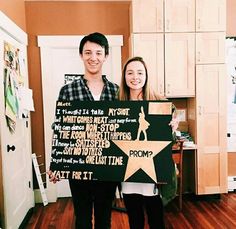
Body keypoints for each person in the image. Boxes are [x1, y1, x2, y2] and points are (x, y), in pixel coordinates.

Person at [48, 32, 119, 229]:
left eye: (98, 53)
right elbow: (60, 128)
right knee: (82, 220)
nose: (93, 58)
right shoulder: (67, 91)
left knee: (105, 219)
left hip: (108, 167)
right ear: (81, 55)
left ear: (105, 56)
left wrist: (170, 120)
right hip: (79, 168)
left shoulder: (116, 91)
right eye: (88, 52)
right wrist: (57, 163)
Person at [118, 56, 177, 229]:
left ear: (146, 76)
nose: (135, 77)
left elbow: (170, 137)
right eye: (130, 72)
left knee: (156, 219)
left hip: (153, 173)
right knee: (134, 220)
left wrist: (173, 126)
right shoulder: (118, 102)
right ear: (124, 77)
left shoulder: (160, 103)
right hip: (128, 173)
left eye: (139, 72)